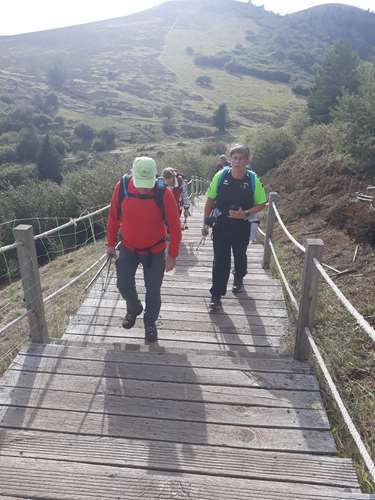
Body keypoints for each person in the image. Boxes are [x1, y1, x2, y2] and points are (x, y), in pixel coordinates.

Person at [106, 157, 182, 342]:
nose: (143, 188)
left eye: (147, 185)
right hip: (128, 247)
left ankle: (150, 323)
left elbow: (175, 226)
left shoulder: (163, 193)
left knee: (153, 290)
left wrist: (172, 255)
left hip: (155, 250)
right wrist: (110, 243)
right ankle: (134, 308)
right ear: (132, 175)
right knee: (123, 284)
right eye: (140, 184)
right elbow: (114, 217)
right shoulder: (122, 187)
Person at [202, 144, 267, 311]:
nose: (237, 161)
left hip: (242, 225)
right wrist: (205, 222)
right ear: (230, 160)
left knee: (239, 255)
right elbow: (210, 200)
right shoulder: (220, 176)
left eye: (241, 158)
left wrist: (245, 213)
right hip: (221, 224)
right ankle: (216, 296)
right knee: (220, 261)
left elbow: (261, 203)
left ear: (246, 160)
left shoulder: (252, 179)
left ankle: (239, 278)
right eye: (235, 158)